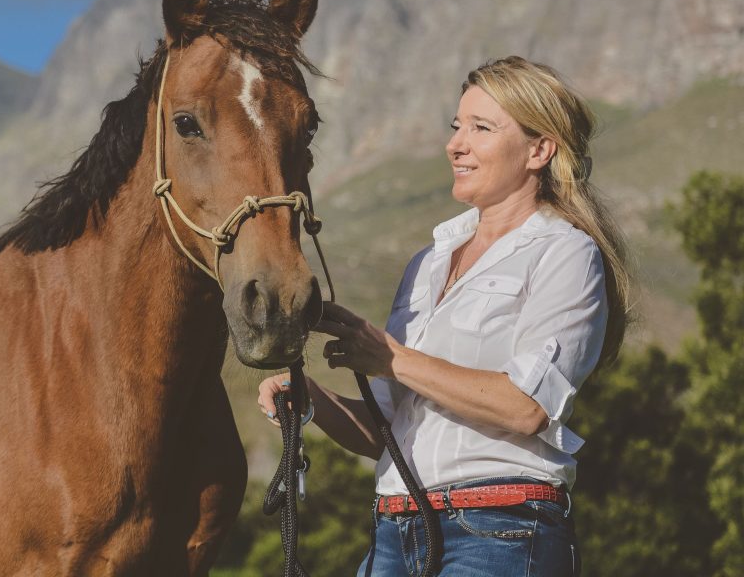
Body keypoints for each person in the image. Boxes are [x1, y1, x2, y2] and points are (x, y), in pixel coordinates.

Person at [259, 56, 629, 576]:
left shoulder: (565, 254)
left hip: (500, 529)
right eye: (457, 126)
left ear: (539, 150)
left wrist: (390, 357)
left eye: (481, 128)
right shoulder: (427, 264)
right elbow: (383, 430)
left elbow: (527, 408)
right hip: (393, 532)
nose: (456, 144)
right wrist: (311, 401)